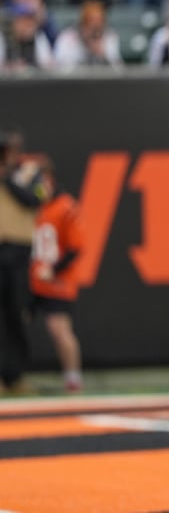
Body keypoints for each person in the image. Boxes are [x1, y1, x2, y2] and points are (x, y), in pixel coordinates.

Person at [0, 130, 49, 395]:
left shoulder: (32, 173)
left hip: (18, 252)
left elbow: (37, 198)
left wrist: (7, 179)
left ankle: (15, 376)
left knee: (16, 314)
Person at [29, 161, 85, 393]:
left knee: (58, 328)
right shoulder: (31, 206)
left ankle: (73, 378)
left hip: (56, 280)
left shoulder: (65, 206)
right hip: (31, 279)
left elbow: (75, 247)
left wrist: (53, 270)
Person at [52, 0, 122, 70]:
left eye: (99, 28)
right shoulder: (67, 38)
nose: (95, 32)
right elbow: (58, 69)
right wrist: (86, 43)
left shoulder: (110, 37)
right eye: (91, 25)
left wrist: (103, 56)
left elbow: (118, 70)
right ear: (82, 24)